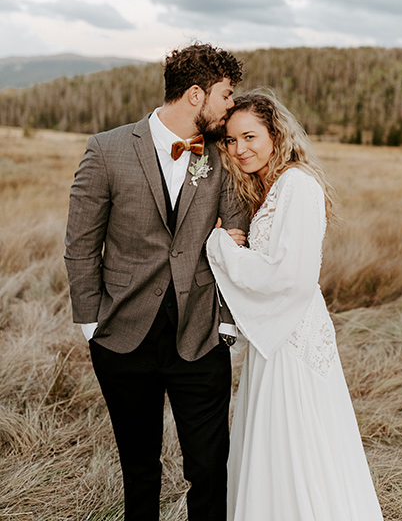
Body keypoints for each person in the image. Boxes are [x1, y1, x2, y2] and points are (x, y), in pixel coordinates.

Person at [64, 43, 249, 521]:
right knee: (139, 468)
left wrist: (227, 323)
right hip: (123, 336)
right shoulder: (105, 150)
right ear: (195, 95)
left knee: (209, 469)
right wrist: (91, 324)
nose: (229, 106)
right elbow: (82, 244)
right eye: (225, 95)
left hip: (201, 336)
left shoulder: (221, 157)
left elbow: (238, 241)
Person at [206, 91, 384, 521]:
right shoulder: (270, 187)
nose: (239, 149)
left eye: (249, 136)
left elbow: (289, 277)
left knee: (299, 439)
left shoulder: (297, 185)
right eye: (230, 141)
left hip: (292, 336)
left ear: (275, 132)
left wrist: (220, 248)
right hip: (276, 335)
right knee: (274, 440)